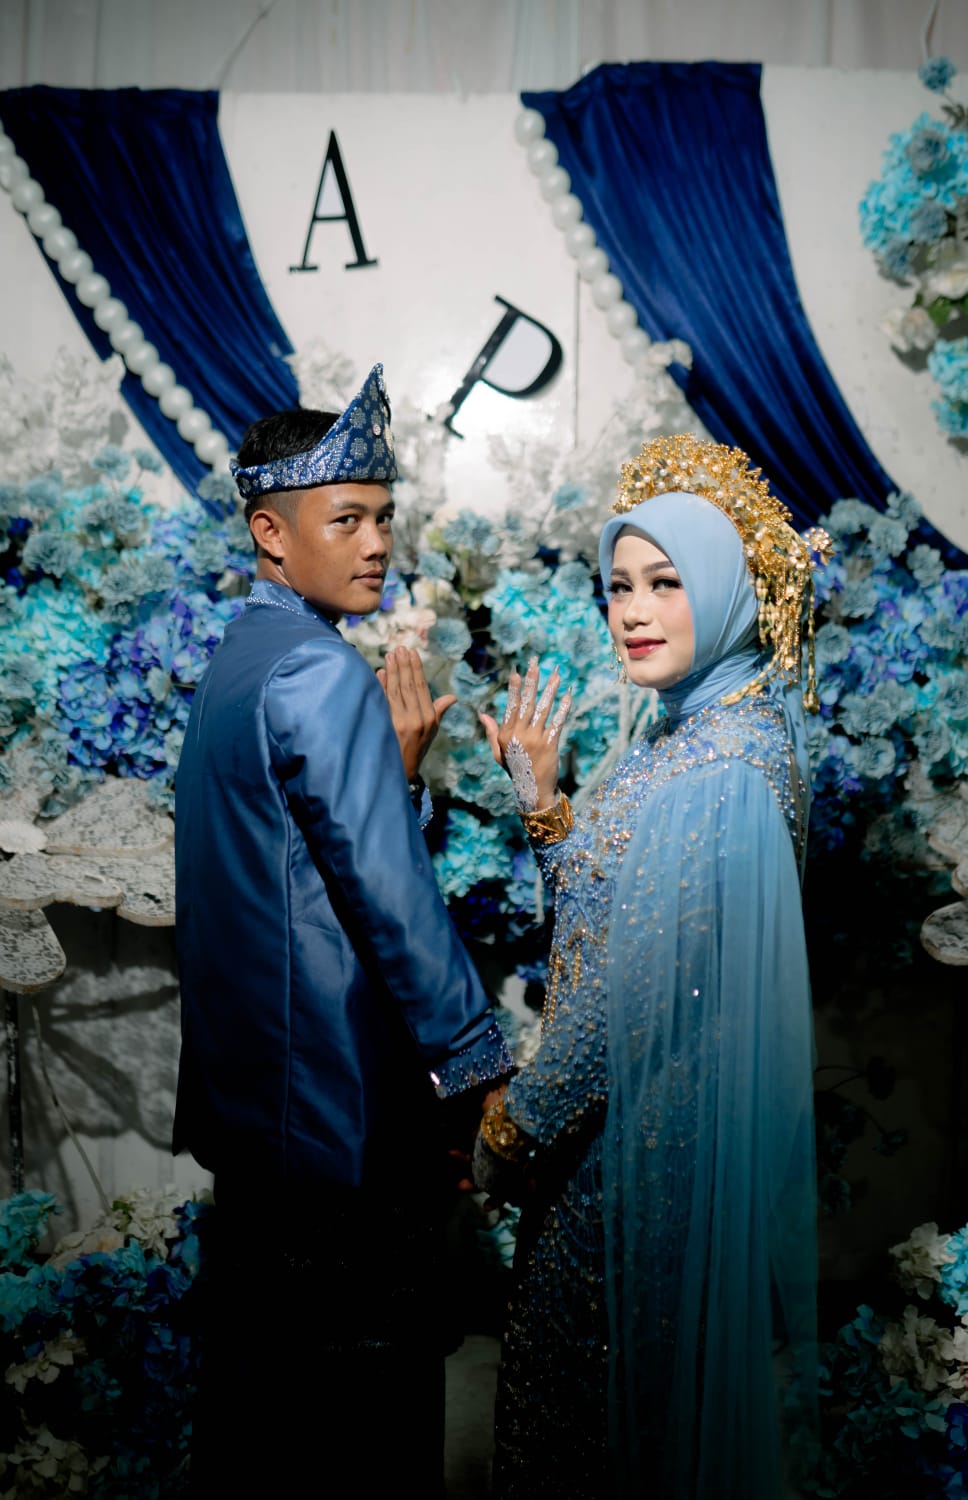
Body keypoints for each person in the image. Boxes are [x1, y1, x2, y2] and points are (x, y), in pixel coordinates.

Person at [171, 364, 513, 1494]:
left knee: (273, 1426)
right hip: (339, 1119)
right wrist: (477, 1067)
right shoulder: (321, 672)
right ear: (270, 532)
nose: (375, 546)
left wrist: (393, 777)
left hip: (255, 1120)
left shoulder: (239, 664)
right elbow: (392, 905)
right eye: (346, 519)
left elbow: (288, 872)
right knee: (365, 1433)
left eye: (383, 518)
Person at [475, 433, 828, 1498]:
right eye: (619, 585)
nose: (632, 610)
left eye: (665, 583)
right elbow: (611, 923)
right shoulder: (691, 732)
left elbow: (622, 1009)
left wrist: (510, 1130)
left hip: (629, 1168)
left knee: (588, 1442)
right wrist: (544, 806)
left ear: (726, 590)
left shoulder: (723, 768)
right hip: (621, 1146)